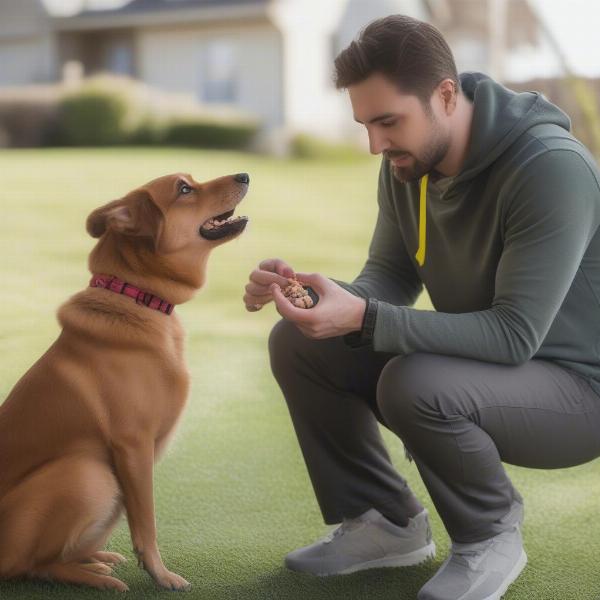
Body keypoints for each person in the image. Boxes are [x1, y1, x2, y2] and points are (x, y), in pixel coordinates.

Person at [243, 14, 600, 600]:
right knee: (302, 343)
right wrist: (315, 296)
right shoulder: (410, 166)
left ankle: (491, 536)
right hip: (486, 369)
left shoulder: (549, 168)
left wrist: (364, 317)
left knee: (415, 380)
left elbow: (515, 336)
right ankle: (386, 524)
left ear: (445, 95)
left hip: (578, 392)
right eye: (365, 124)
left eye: (388, 121)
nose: (376, 144)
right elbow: (388, 277)